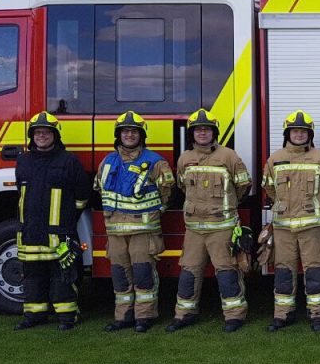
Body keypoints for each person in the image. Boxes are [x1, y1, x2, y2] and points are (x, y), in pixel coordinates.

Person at [167, 109, 251, 333]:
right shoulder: (185, 159)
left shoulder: (228, 157)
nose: (202, 133)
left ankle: (234, 316)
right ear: (192, 133)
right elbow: (182, 186)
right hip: (194, 229)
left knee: (227, 272)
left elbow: (244, 186)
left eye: (206, 129)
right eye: (198, 130)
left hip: (222, 228)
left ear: (214, 132)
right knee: (188, 272)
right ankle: (184, 315)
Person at [95, 111, 175, 333]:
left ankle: (144, 317)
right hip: (115, 231)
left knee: (143, 274)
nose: (129, 135)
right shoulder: (107, 162)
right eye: (125, 131)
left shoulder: (154, 161)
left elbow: (167, 192)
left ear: (141, 136)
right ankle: (123, 317)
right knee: (120, 275)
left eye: (134, 131)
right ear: (118, 135)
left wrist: (156, 212)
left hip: (143, 230)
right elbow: (99, 190)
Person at [262, 110, 320, 333]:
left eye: (303, 132)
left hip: (311, 226)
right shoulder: (274, 159)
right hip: (284, 226)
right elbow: (269, 188)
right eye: (295, 131)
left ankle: (317, 315)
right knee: (283, 271)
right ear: (288, 133)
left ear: (309, 135)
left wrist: (317, 205)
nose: (299, 135)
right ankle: (282, 315)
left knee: (315, 271)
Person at [13, 111, 90, 331]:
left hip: (60, 234)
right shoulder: (24, 161)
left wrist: (67, 220)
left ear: (55, 135)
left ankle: (67, 317)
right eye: (38, 132)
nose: (42, 136)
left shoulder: (68, 161)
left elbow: (82, 195)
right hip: (30, 232)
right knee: (32, 276)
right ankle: (34, 316)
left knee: (63, 275)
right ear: (32, 136)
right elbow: (21, 192)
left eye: (46, 132)